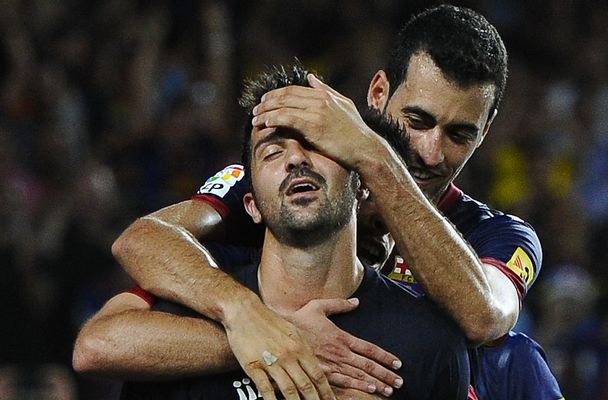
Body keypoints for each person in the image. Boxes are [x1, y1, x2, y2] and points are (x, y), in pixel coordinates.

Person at [76, 4, 562, 399]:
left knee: (514, 358)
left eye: (459, 134)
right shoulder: (298, 183)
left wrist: (376, 157)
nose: (430, 152)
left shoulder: (498, 234)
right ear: (378, 92)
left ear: (486, 132)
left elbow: (484, 317)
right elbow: (142, 241)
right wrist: (254, 322)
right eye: (416, 121)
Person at [76, 64, 471, 400]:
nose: (296, 157)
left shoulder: (429, 343)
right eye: (272, 151)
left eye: (317, 144)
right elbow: (94, 345)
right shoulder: (180, 319)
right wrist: (274, 336)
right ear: (250, 205)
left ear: (361, 183)